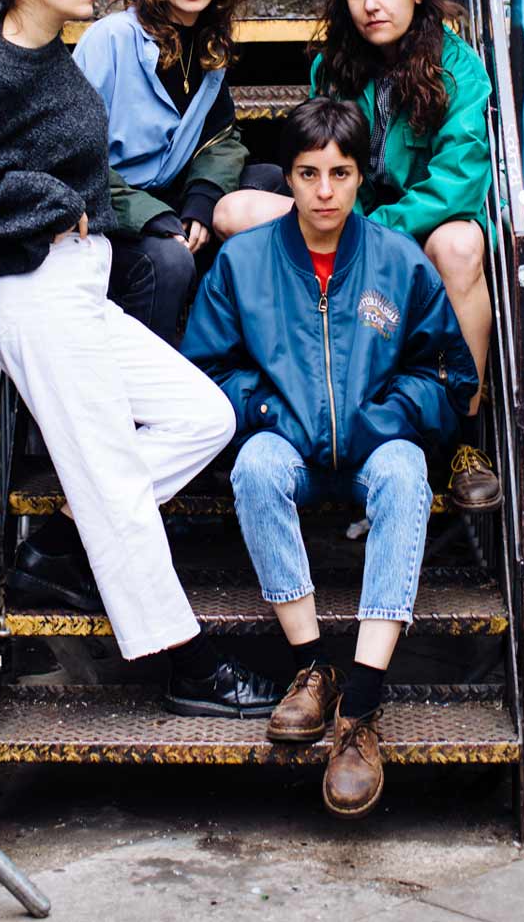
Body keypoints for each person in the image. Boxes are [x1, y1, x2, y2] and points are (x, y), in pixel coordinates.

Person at [0, 0, 278, 718]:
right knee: (114, 482)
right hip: (35, 297)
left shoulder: (47, 52)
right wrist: (50, 199)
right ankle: (189, 665)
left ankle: (61, 544)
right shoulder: (0, 72)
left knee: (203, 416)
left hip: (76, 290)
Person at [182, 98, 479, 817]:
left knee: (407, 471)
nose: (324, 191)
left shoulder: (398, 260)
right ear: (286, 177)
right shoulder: (244, 263)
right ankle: (312, 669)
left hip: (375, 446)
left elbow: (447, 373)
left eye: (340, 174)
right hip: (288, 444)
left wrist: (384, 417)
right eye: (308, 173)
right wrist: (272, 413)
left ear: (359, 177)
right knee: (255, 466)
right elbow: (207, 370)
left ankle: (361, 708)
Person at [213, 0, 500, 512]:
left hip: (417, 226)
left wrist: (374, 230)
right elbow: (325, 165)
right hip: (348, 217)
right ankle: (287, 405)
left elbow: (457, 183)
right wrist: (345, 218)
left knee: (460, 247)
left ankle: (464, 441)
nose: (371, 3)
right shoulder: (334, 66)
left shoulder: (460, 69)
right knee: (236, 211)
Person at [73, 0, 278, 346]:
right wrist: (152, 217)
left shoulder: (208, 42)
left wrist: (201, 203)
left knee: (269, 181)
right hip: (110, 211)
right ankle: (149, 378)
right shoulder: (110, 40)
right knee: (170, 260)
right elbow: (75, 160)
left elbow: (221, 138)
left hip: (169, 196)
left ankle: (236, 349)